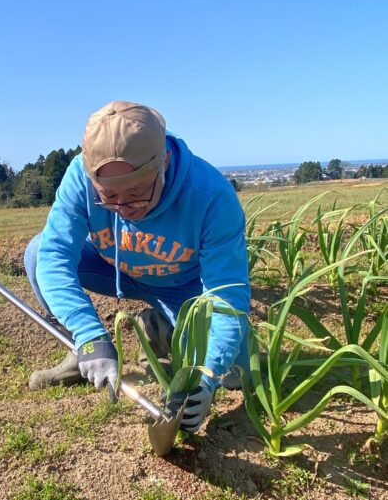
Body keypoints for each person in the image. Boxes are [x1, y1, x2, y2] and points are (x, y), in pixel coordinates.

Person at [24, 101, 250, 433]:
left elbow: (227, 296)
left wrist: (209, 375)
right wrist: (89, 334)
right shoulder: (79, 177)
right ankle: (83, 353)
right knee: (36, 251)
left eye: (136, 193)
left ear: (164, 164)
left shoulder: (210, 196)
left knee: (239, 371)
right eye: (107, 197)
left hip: (183, 289)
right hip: (112, 268)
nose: (122, 208)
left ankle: (161, 328)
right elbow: (54, 256)